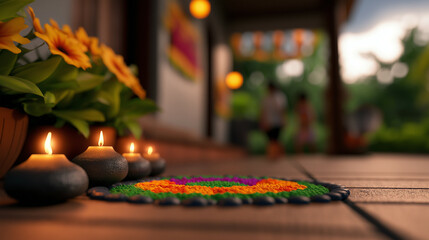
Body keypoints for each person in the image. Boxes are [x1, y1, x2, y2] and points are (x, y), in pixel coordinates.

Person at [260, 82, 287, 159]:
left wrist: (283, 120)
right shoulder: (266, 98)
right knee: (270, 140)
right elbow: (263, 111)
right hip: (268, 122)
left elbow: (282, 110)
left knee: (276, 139)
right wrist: (263, 121)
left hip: (277, 122)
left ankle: (278, 154)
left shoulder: (280, 97)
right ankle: (272, 154)